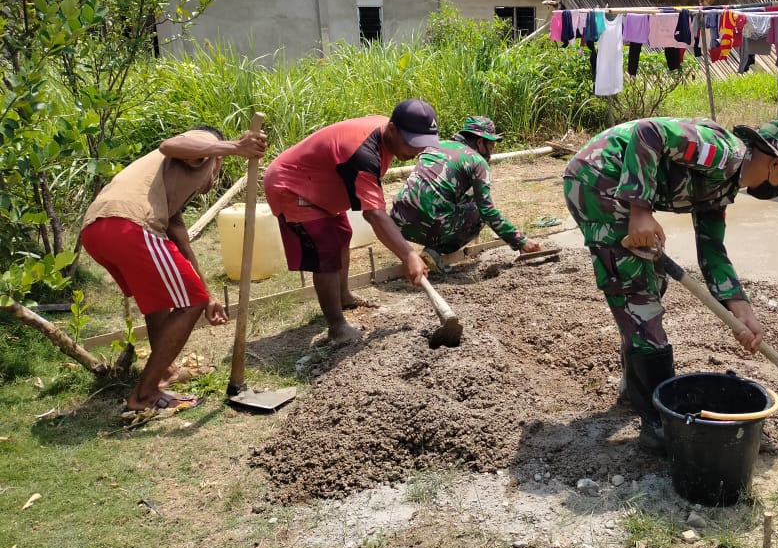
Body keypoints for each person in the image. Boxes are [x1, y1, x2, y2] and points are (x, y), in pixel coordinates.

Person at [562, 117, 778, 451]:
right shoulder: (721, 153)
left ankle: (636, 389)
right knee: (638, 295)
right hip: (597, 179)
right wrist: (640, 210)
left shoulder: (724, 188)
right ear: (772, 164)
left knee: (651, 284)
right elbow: (648, 133)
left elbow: (712, 251)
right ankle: (659, 424)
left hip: (616, 186)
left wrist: (742, 310)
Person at [80, 124, 268, 414]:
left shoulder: (170, 185)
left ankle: (165, 372)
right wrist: (234, 147)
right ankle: (144, 395)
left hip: (98, 228)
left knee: (162, 299)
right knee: (189, 302)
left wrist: (207, 295)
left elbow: (180, 240)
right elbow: (170, 145)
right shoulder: (204, 146)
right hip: (129, 224)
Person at [262, 100, 439, 347]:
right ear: (392, 129)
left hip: (319, 186)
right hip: (292, 186)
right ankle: (337, 327)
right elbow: (374, 214)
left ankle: (343, 296)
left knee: (342, 234)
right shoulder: (363, 153)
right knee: (326, 252)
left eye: (421, 145)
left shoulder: (383, 136)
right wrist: (409, 255)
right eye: (412, 143)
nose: (416, 151)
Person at [389, 116, 543, 269]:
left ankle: (431, 249)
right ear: (480, 142)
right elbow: (487, 211)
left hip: (398, 223)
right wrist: (521, 241)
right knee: (480, 212)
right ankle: (435, 251)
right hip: (429, 224)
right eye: (491, 146)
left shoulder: (435, 146)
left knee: (466, 197)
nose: (491, 151)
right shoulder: (476, 161)